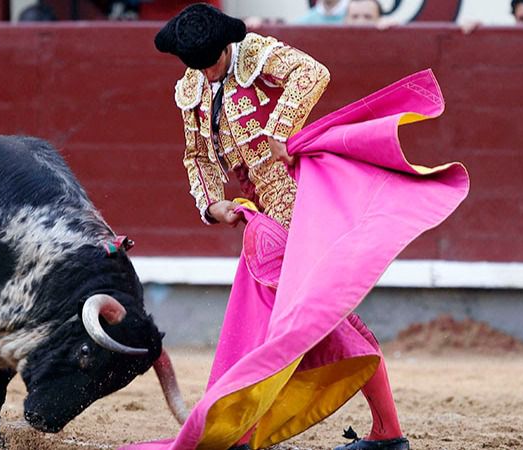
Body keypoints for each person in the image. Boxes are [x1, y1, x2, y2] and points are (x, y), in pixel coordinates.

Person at [154, 4, 410, 450]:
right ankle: (385, 433)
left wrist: (280, 129)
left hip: (301, 203)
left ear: (226, 46)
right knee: (318, 318)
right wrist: (212, 204)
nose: (208, 75)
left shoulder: (256, 55)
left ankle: (386, 432)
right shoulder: (192, 83)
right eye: (196, 66)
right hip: (263, 213)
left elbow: (312, 72)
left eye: (211, 63)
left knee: (324, 317)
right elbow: (196, 156)